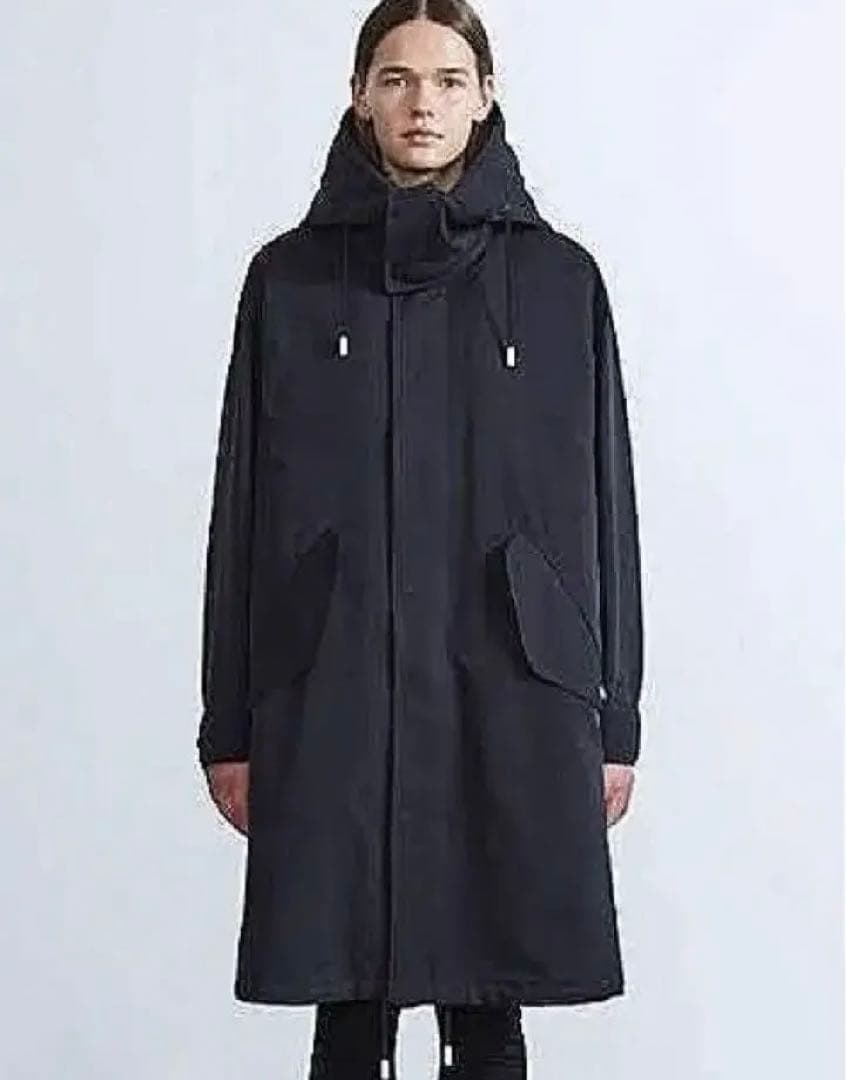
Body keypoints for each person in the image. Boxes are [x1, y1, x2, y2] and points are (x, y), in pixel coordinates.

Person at [196, 1, 645, 1076]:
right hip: (333, 685)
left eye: (448, 80)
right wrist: (229, 722)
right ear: (359, 96)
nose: (423, 105)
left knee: (490, 1003)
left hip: (514, 685)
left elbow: (610, 509)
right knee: (347, 1002)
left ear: (486, 96)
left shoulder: (560, 283)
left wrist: (615, 715)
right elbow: (241, 509)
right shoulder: (290, 281)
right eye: (396, 79)